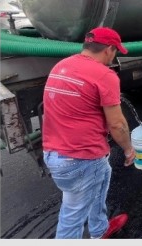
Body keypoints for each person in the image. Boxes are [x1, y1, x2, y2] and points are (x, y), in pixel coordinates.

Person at [42, 27, 133, 239]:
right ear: (109, 50)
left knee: (103, 176)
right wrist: (129, 150)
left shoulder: (61, 66)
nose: (115, 56)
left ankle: (100, 229)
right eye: (116, 51)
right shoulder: (104, 75)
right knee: (72, 218)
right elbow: (118, 124)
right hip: (79, 159)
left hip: (55, 153)